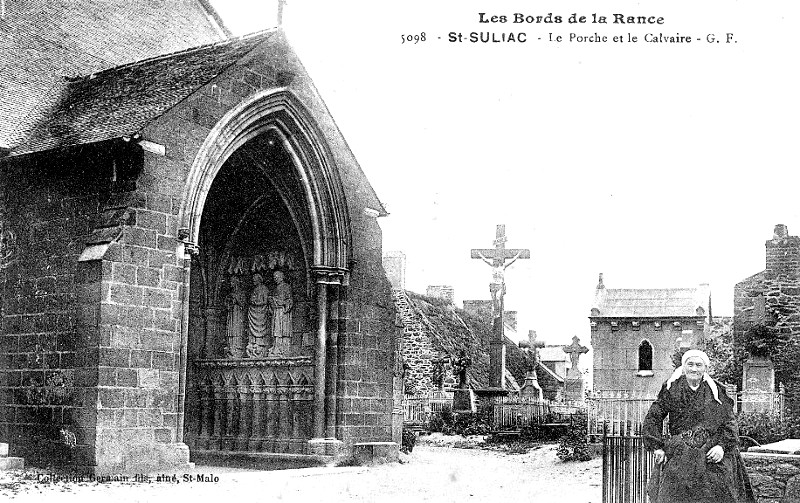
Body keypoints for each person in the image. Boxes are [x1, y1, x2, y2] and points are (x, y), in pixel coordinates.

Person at [642, 349, 756, 503]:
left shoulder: (716, 390)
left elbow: (729, 422)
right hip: (681, 450)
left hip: (712, 450)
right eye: (690, 364)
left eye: (698, 365)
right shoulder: (672, 388)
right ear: (683, 367)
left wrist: (722, 447)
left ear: (705, 368)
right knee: (674, 489)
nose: (694, 369)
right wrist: (657, 447)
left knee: (718, 486)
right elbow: (653, 417)